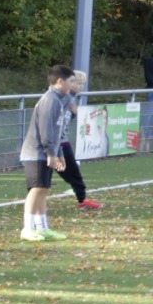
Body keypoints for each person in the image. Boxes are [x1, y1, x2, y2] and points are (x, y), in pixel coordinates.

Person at [18, 65, 76, 242]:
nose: (73, 85)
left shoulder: (59, 100)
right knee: (36, 189)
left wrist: (59, 153)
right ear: (60, 81)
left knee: (43, 189)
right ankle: (27, 228)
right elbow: (45, 130)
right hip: (36, 152)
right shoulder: (50, 100)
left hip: (45, 152)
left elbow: (57, 131)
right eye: (71, 81)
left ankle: (42, 228)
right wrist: (50, 152)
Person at [56, 70, 103, 212]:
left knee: (70, 171)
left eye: (83, 84)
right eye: (78, 83)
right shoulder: (63, 98)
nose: (81, 86)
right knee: (69, 172)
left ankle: (82, 199)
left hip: (61, 141)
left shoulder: (72, 99)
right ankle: (82, 199)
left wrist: (76, 113)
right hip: (56, 142)